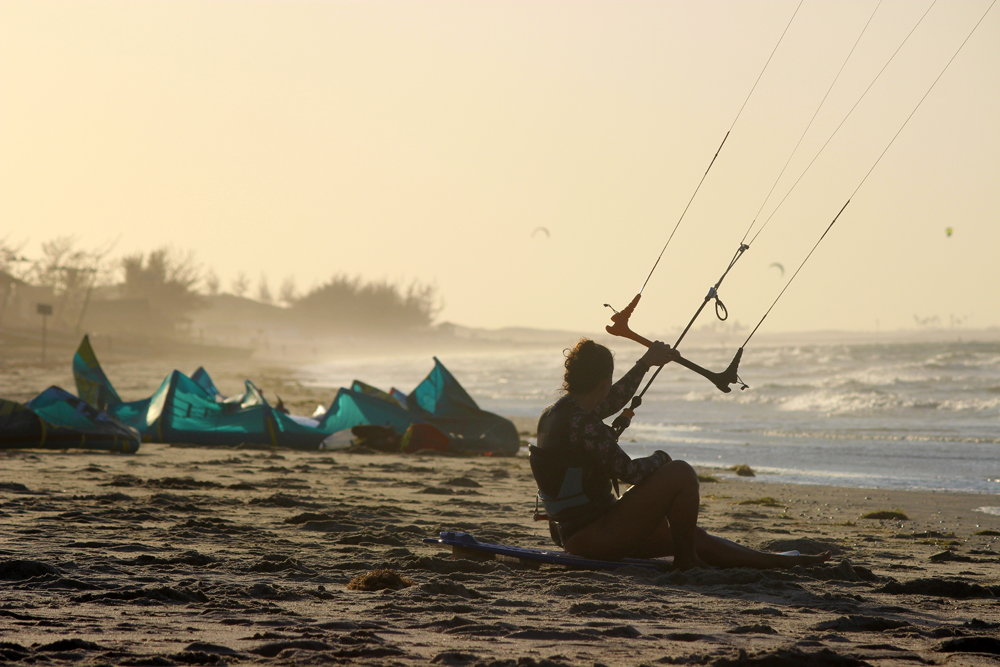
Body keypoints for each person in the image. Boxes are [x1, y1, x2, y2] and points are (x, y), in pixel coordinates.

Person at [530, 338, 830, 571]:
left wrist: (646, 363)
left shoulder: (559, 413)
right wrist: (662, 458)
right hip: (594, 535)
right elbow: (631, 472)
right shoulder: (584, 424)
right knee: (681, 473)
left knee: (694, 537)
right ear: (603, 381)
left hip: (581, 531)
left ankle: (782, 561)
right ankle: (686, 561)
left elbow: (611, 401)